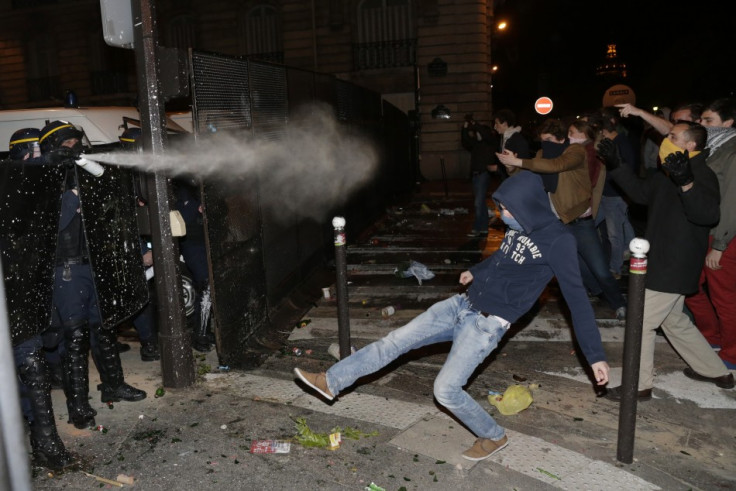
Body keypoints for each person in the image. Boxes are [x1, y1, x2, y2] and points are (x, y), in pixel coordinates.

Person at [294, 171, 610, 461]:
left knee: (445, 390)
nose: (503, 215)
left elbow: (577, 300)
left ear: (528, 206)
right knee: (395, 341)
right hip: (460, 305)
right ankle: (331, 381)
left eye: (508, 209)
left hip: (486, 325)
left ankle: (493, 436)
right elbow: (503, 257)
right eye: (501, 207)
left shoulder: (559, 241)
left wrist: (595, 355)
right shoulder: (521, 225)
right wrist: (475, 271)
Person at [598, 121, 734, 400]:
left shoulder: (701, 173)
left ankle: (639, 386)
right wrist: (617, 164)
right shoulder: (668, 173)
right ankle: (715, 371)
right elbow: (639, 193)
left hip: (675, 263)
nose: (665, 140)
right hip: (662, 258)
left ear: (690, 145)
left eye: (672, 136)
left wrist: (687, 183)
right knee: (674, 321)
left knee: (640, 321)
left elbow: (708, 215)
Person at [40, 120, 146, 430]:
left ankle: (113, 385)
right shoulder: (43, 178)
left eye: (77, 142)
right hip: (66, 270)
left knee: (104, 327)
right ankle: (78, 405)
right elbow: (50, 226)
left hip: (92, 265)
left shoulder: (85, 172)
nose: (76, 148)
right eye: (69, 144)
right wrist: (73, 197)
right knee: (75, 338)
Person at [497, 119, 627, 320]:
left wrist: (519, 161)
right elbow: (528, 171)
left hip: (579, 222)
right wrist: (512, 165)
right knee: (577, 267)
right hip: (557, 223)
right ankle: (600, 294)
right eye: (542, 141)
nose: (544, 144)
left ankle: (620, 303)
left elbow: (556, 165)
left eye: (548, 139)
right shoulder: (542, 155)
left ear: (560, 139)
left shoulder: (575, 151)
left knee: (599, 268)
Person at [2, 128, 75, 470]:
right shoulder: (10, 179)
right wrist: (47, 161)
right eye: (30, 154)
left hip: (18, 294)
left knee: (32, 365)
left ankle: (45, 443)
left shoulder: (34, 183)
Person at [685, 98, 736, 370]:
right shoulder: (714, 148)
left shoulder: (731, 152)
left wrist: (721, 244)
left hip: (724, 236)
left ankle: (731, 353)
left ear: (728, 123)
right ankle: (711, 335)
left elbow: (731, 201)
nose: (702, 125)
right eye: (701, 120)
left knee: (724, 297)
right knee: (689, 284)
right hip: (707, 231)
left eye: (709, 121)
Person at [119, 128, 160, 362]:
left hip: (150, 243)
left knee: (149, 297)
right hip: (132, 250)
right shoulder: (121, 179)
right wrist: (142, 251)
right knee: (139, 298)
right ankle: (148, 344)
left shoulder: (144, 173)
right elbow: (122, 222)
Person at [595, 108, 637, 278]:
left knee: (614, 235)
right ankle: (625, 253)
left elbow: (626, 169)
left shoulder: (620, 144)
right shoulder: (617, 142)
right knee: (597, 226)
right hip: (607, 194)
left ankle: (615, 269)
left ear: (604, 131)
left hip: (614, 195)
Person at [174, 178, 214, 352]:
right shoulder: (183, 185)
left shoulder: (206, 183)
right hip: (192, 243)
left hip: (207, 242)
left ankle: (205, 330)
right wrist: (197, 209)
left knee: (209, 286)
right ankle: (201, 335)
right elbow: (181, 215)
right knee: (205, 284)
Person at [461, 114, 499, 237]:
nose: (476, 134)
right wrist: (465, 128)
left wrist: (475, 124)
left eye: (478, 132)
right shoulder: (476, 145)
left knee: (478, 202)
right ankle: (483, 228)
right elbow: (466, 141)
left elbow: (485, 133)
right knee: (480, 202)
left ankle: (477, 228)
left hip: (484, 175)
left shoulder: (489, 143)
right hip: (476, 175)